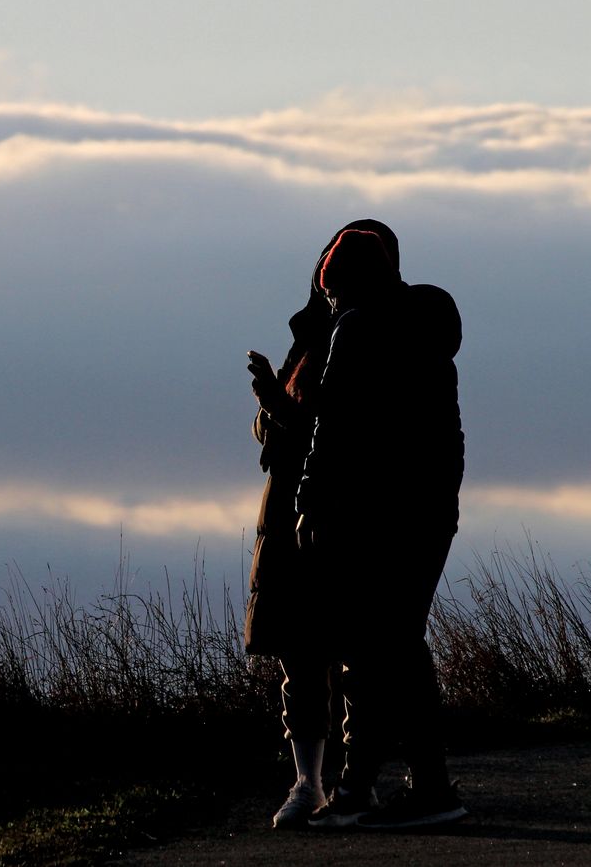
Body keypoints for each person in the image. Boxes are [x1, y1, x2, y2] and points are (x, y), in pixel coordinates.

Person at [296, 227, 467, 829]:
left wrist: (311, 500)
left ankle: (424, 791)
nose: (332, 304)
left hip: (376, 512)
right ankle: (386, 786)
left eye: (333, 292)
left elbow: (333, 424)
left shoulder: (356, 328)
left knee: (384, 647)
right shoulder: (430, 324)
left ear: (344, 284)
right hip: (431, 509)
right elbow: (450, 434)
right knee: (398, 644)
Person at [245, 220, 400, 829]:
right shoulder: (312, 336)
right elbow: (284, 430)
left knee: (351, 649)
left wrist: (278, 408)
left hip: (337, 507)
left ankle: (350, 783)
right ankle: (310, 782)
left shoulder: (366, 335)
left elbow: (336, 428)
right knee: (302, 651)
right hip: (291, 506)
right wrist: (272, 405)